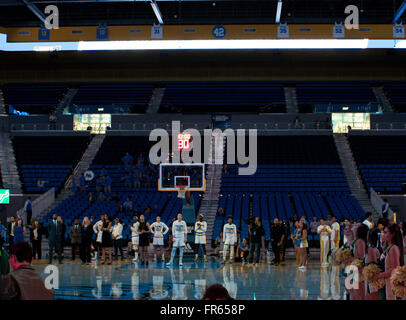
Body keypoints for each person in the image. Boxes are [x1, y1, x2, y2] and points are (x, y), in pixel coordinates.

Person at [372, 224, 404, 300]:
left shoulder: (393, 248)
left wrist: (379, 275)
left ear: (392, 235)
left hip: (392, 284)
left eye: (386, 232)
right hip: (388, 282)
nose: (383, 234)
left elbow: (395, 269)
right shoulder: (389, 247)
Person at [365, 228, 381, 300]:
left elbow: (373, 264)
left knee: (372, 295)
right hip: (370, 276)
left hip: (372, 276)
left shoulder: (371, 248)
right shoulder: (372, 248)